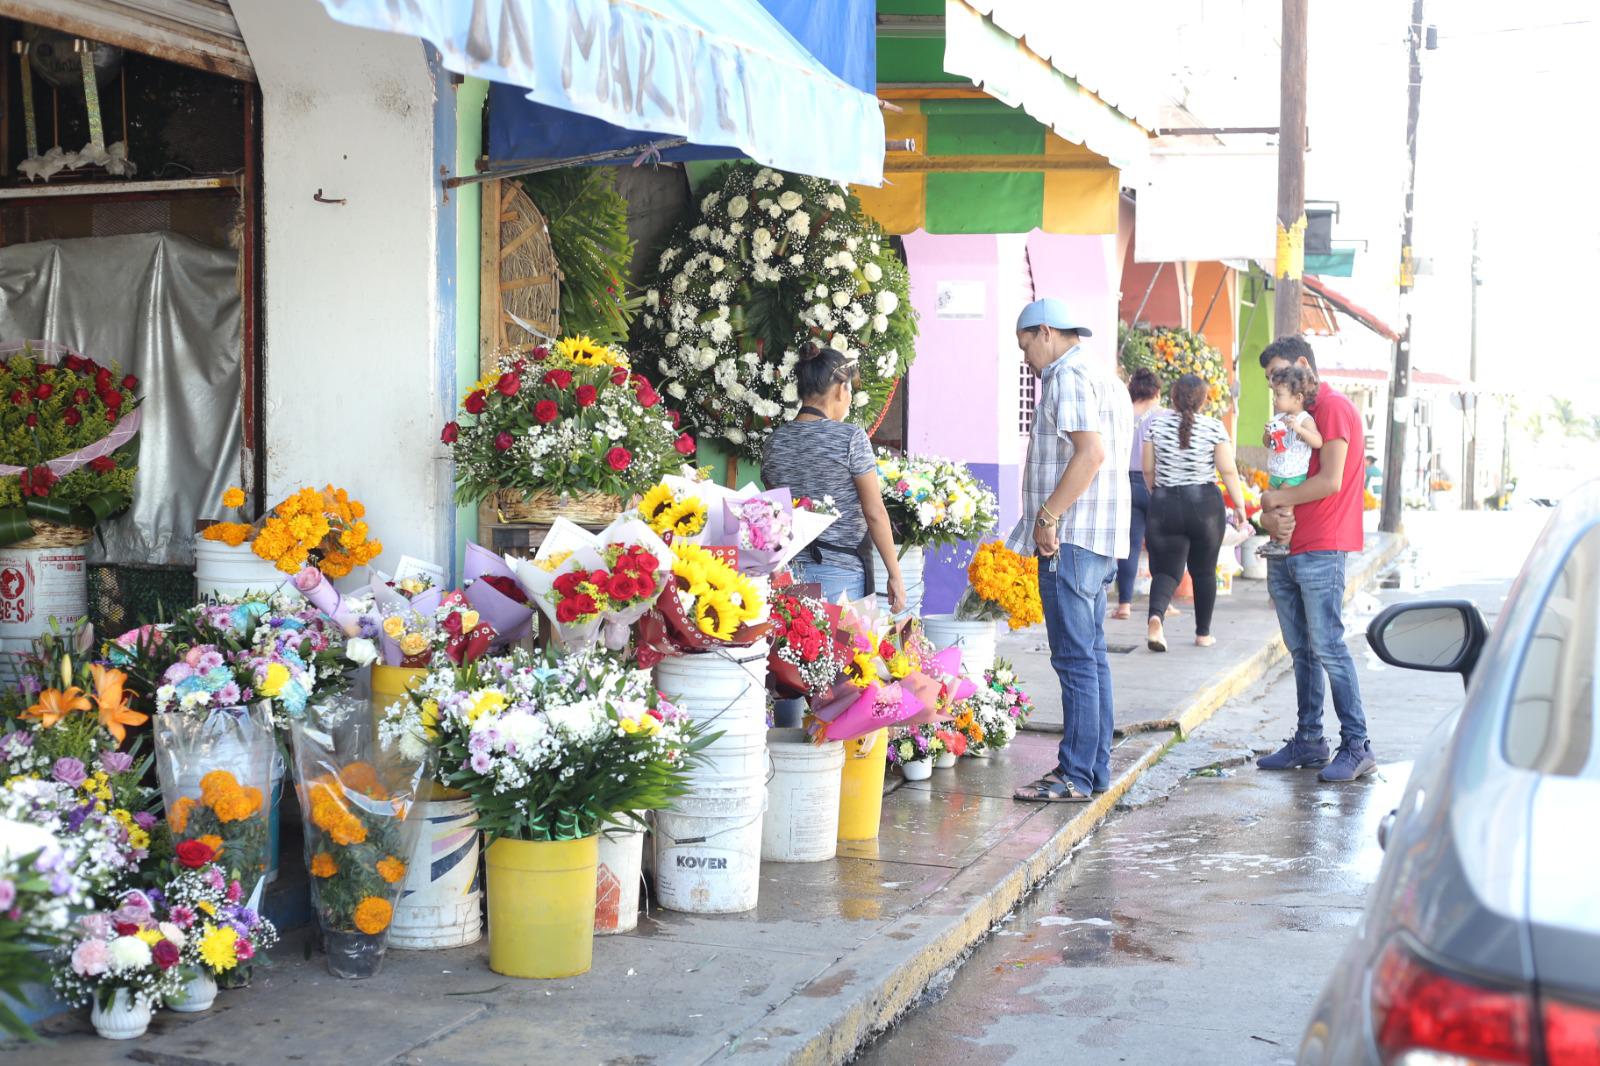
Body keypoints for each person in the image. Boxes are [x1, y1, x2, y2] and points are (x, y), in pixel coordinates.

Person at [1007, 299, 1131, 805]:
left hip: (1072, 539)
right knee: (1091, 659)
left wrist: (1047, 516)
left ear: (1044, 332)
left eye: (1025, 347)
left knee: (1075, 660)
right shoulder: (1102, 373)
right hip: (1096, 539)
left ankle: (1075, 774)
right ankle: (1093, 769)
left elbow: (1091, 452)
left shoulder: (1067, 375)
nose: (1027, 361)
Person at [1255, 336, 1375, 783]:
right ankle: (1308, 740)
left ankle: (1358, 744)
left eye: (1277, 376)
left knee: (1328, 646)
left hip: (1322, 544)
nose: (1274, 386)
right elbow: (1283, 471)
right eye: (1270, 381)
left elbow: (1330, 480)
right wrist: (1270, 511)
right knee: (1301, 649)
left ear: (1302, 364)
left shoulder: (1334, 408)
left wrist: (1273, 499)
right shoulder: (1290, 415)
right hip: (1288, 544)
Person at [761, 346, 906, 613]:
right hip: (842, 575)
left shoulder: (775, 442)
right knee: (847, 653)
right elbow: (874, 512)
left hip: (788, 576)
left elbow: (773, 516)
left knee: (798, 652)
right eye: (849, 389)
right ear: (841, 390)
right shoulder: (850, 438)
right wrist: (895, 575)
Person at [1141, 374, 1250, 651]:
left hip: (1165, 503)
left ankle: (1156, 619)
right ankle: (1203, 633)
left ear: (1173, 398)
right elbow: (1228, 471)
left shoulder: (1156, 425)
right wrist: (1239, 505)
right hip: (1204, 506)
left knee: (1166, 570)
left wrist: (1159, 493)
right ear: (1204, 400)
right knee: (1203, 571)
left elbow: (1148, 470)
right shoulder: (1214, 427)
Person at [1257, 365, 1324, 558]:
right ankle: (1274, 540)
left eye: (1279, 394)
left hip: (1293, 475)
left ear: (1297, 398)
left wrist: (1300, 430)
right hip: (1276, 473)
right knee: (1271, 508)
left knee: (1285, 510)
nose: (1274, 399)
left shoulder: (1304, 419)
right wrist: (1267, 433)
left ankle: (1283, 544)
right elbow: (1266, 443)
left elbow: (1318, 441)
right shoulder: (1278, 417)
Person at [1113, 368, 1163, 619]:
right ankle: (1162, 604)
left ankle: (1124, 604)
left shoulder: (1123, 413)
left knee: (1130, 545)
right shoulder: (1163, 416)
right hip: (1154, 483)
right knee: (1159, 546)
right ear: (1156, 391)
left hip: (1126, 483)